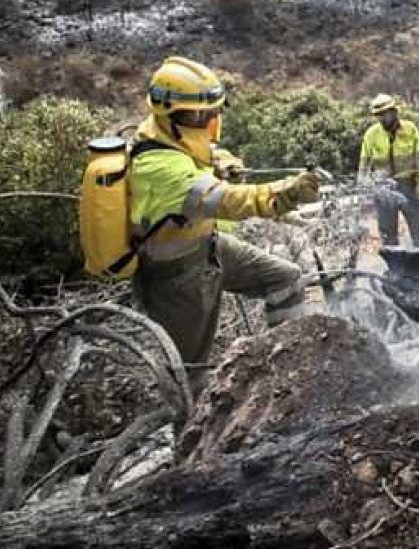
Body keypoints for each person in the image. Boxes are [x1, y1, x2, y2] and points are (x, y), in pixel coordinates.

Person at [129, 57, 321, 388]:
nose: (208, 122)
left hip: (206, 246)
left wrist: (222, 162)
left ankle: (284, 376)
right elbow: (227, 202)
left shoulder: (168, 136)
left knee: (285, 279)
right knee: (191, 376)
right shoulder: (157, 168)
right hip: (175, 277)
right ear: (170, 115)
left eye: (211, 113)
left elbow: (201, 157)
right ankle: (190, 435)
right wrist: (285, 193)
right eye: (199, 115)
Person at [358, 94, 419, 248]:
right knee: (388, 236)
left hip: (409, 186)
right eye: (378, 115)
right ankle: (396, 268)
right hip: (383, 188)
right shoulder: (371, 134)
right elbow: (364, 165)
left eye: (384, 114)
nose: (381, 119)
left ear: (393, 111)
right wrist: (364, 189)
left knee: (418, 232)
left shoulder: (410, 129)